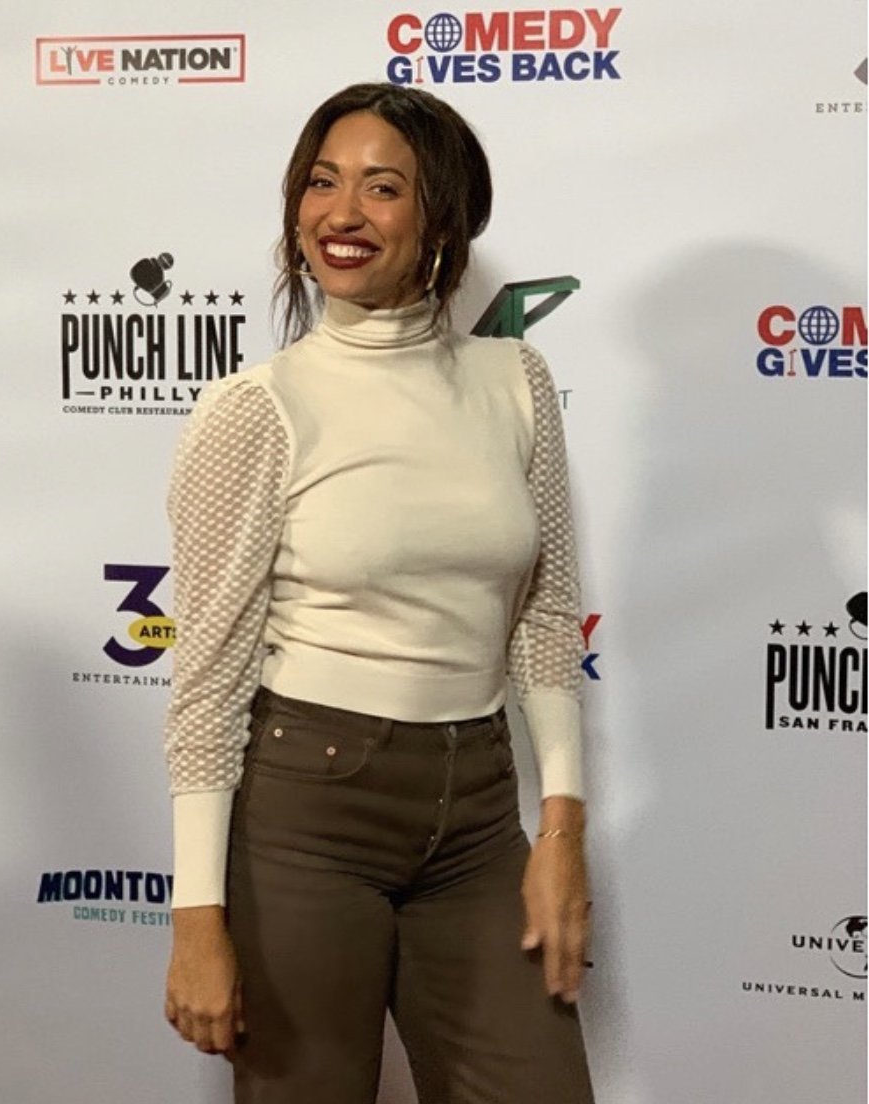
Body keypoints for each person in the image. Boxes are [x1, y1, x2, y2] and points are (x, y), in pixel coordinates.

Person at [162, 82, 595, 1104]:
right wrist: (196, 920)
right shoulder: (255, 411)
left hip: (481, 811)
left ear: (441, 218)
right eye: (320, 182)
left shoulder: (515, 380)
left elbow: (543, 613)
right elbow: (208, 682)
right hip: (306, 811)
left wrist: (563, 833)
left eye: (380, 187)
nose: (339, 214)